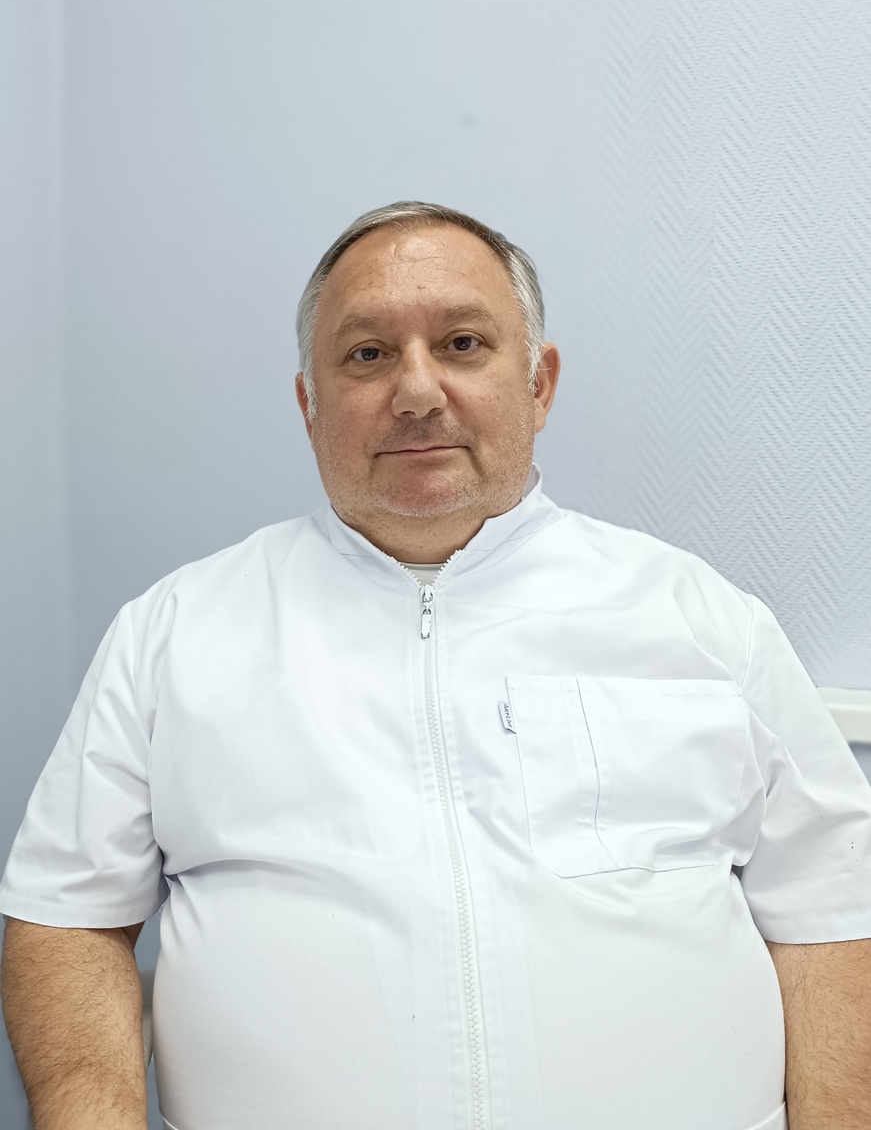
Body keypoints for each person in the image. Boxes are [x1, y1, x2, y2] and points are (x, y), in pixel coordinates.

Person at [2, 201, 871, 1130]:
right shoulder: (174, 631)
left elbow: (831, 909)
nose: (416, 391)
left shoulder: (701, 618)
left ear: (538, 384)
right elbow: (67, 915)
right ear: (308, 403)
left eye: (462, 343)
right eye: (367, 354)